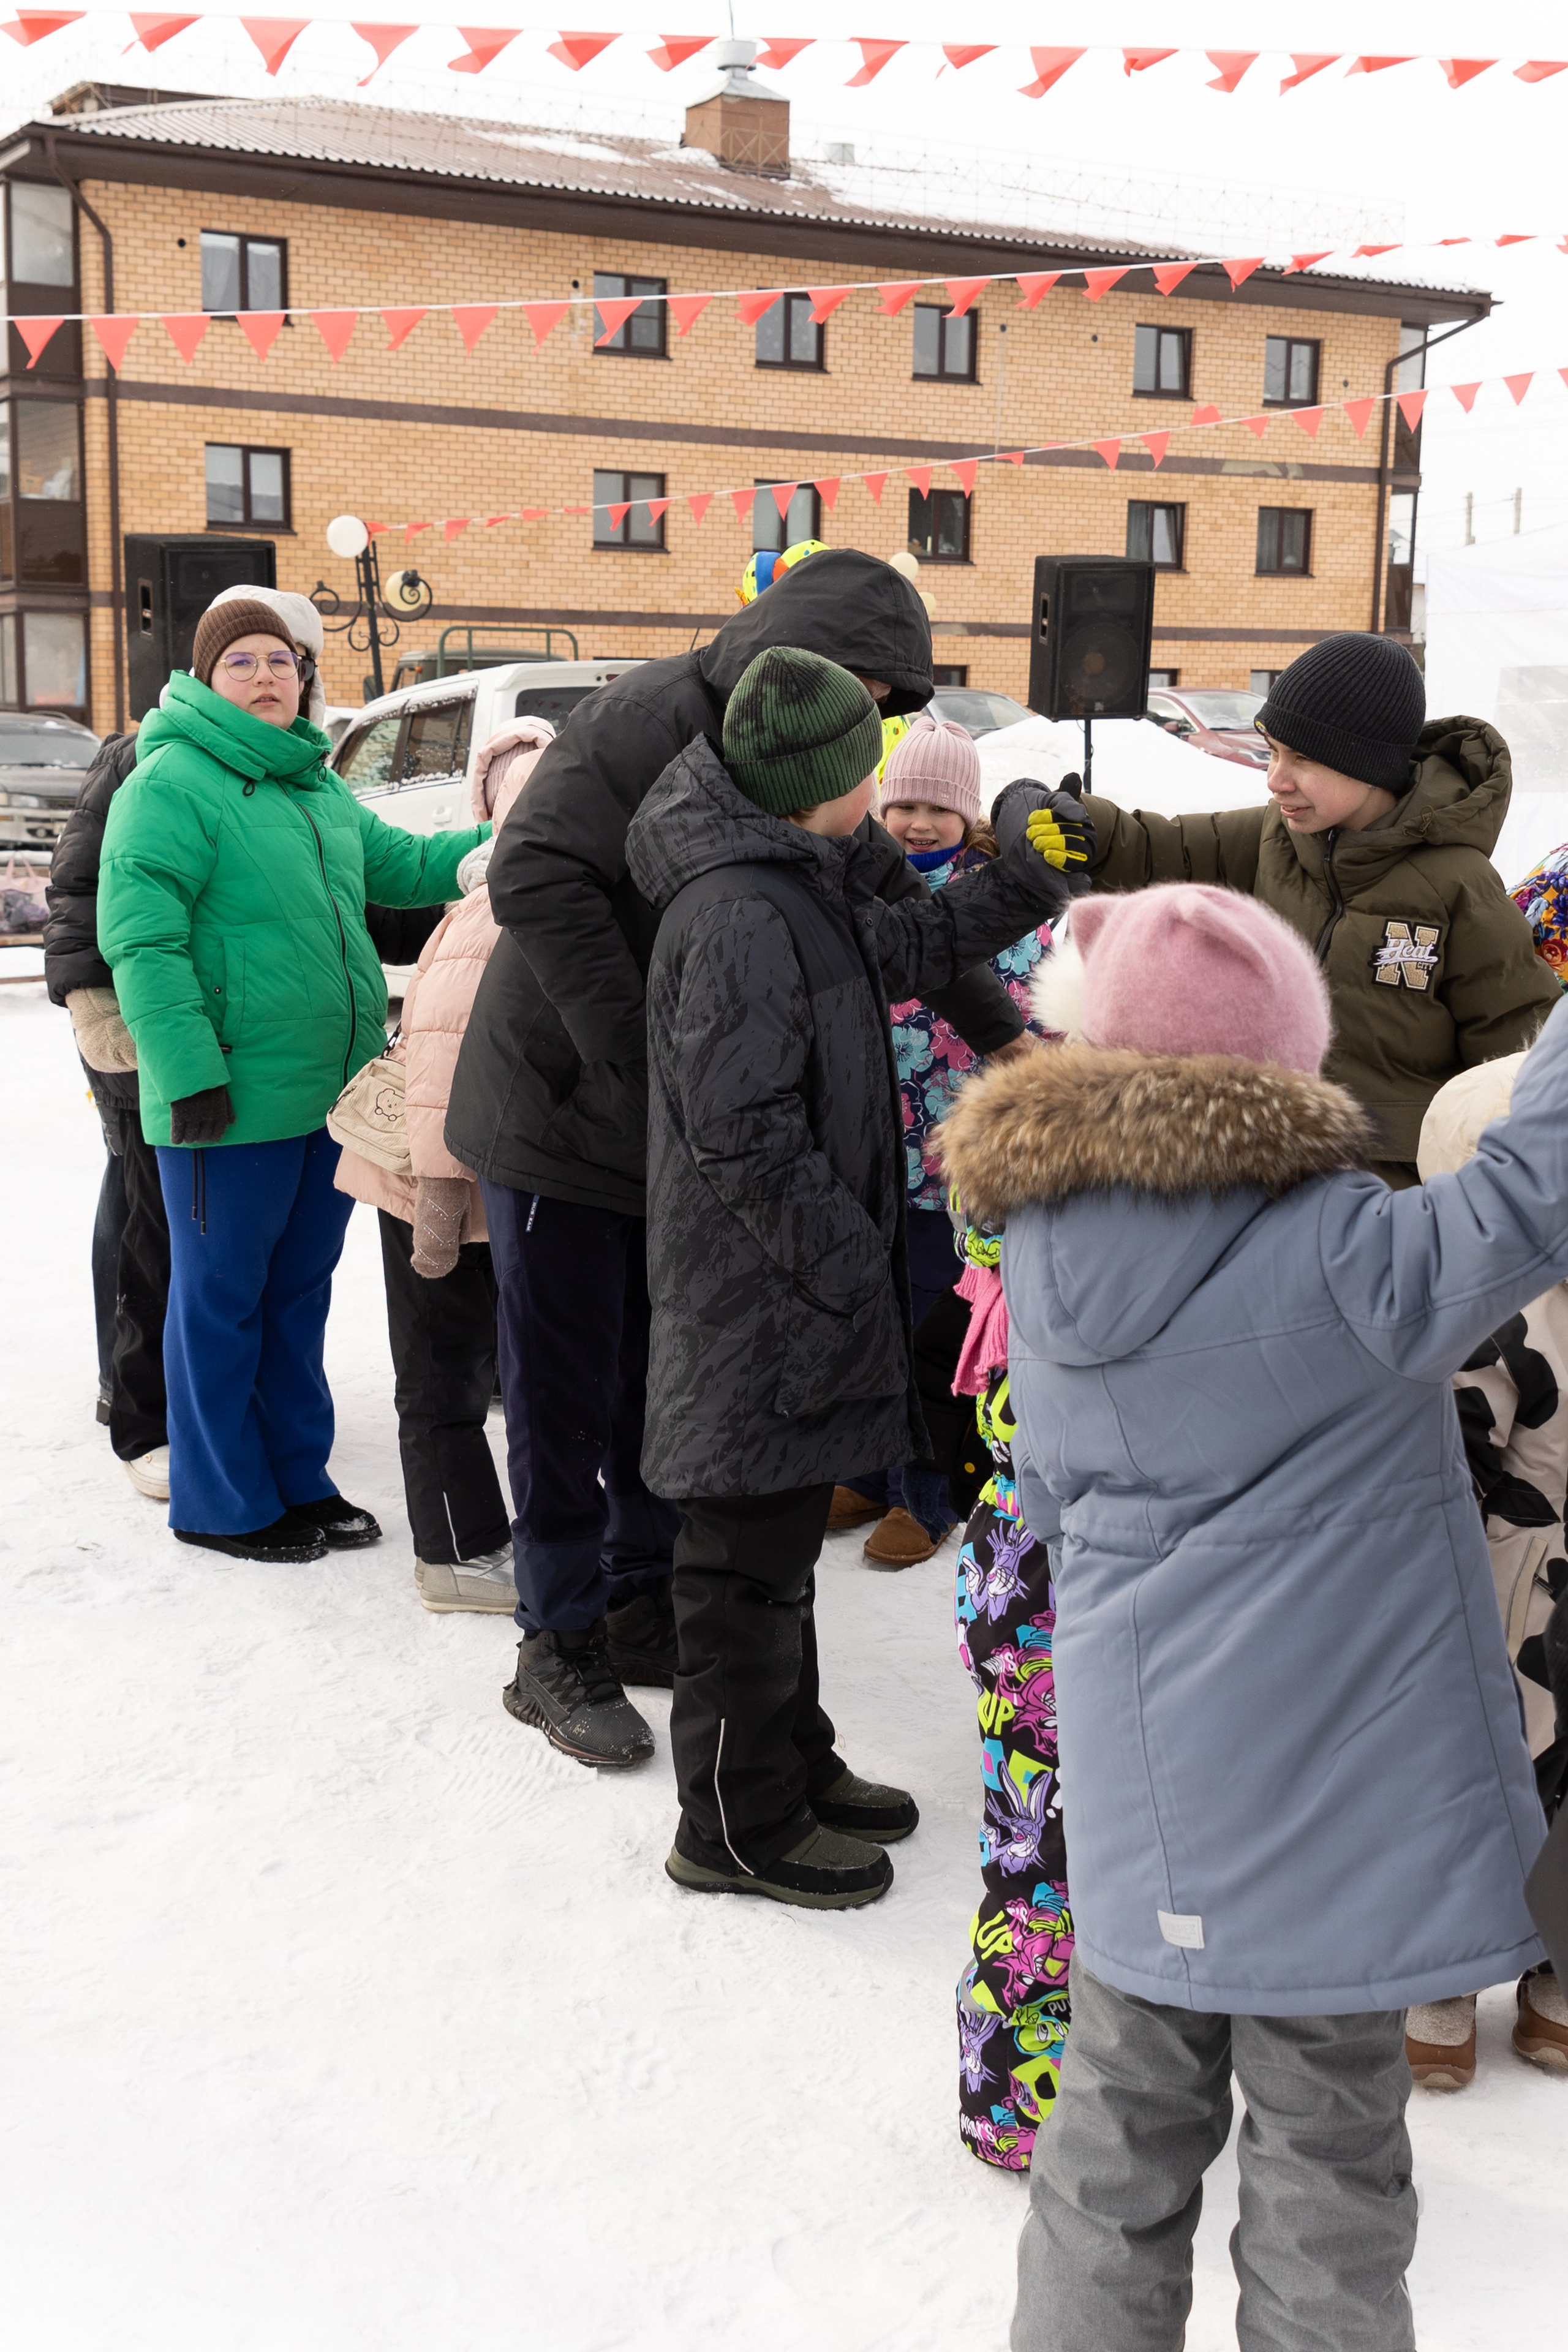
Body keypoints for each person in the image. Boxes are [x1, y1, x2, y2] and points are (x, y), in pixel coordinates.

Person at [941, 882, 1556, 2352]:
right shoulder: (1341, 1254)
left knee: (1110, 2146)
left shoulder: (1046, 1234)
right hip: (1321, 1802)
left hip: (1144, 1774)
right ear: (1280, 1060)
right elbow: (1529, 1194)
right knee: (1327, 2154)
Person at [445, 548, 1029, 1768]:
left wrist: (1011, 1043)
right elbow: (534, 873)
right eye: (871, 696)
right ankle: (554, 1640)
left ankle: (640, 1592)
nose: (872, 731)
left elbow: (888, 915)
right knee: (559, 1387)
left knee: (665, 1374)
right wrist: (642, 1064)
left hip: (686, 1115)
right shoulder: (647, 719)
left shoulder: (808, 753)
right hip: (562, 1105)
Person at [624, 647, 1092, 1907]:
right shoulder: (734, 912)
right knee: (737, 1563)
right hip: (755, 1291)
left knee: (778, 1555)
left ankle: (789, 1764)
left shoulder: (790, 873)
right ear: (832, 781)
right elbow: (738, 1133)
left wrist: (1023, 884)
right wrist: (849, 1255)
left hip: (788, 1283)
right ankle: (729, 1824)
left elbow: (900, 943)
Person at [97, 596, 488, 1565]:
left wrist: (489, 854)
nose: (271, 675)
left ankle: (296, 1478)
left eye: (284, 661)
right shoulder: (170, 782)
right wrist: (188, 1075)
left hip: (331, 1098)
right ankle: (223, 1500)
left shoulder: (313, 785)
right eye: (245, 663)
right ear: (207, 677)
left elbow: (396, 865)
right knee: (220, 1299)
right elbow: (142, 941)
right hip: (224, 1102)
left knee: (297, 1296)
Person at [1081, 633, 1558, 1183]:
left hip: (1390, 1190)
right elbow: (1160, 846)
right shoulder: (1274, 838)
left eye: (1302, 759)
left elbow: (1522, 1048)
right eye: (1274, 751)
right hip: (1266, 1164)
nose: (1275, 779)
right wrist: (1081, 824)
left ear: (1369, 764)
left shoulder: (1456, 885)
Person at [336, 718, 557, 1616]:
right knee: (439, 1368)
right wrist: (435, 1212)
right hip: (439, 1182)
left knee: (466, 1361)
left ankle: (471, 1540)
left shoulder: (514, 892)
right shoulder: (504, 906)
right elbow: (436, 1065)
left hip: (472, 1177)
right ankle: (455, 1553)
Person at [831, 714, 1053, 1567]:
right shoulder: (855, 890)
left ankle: (923, 1496)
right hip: (867, 1155)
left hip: (952, 1173)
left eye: (939, 808)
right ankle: (863, 1468)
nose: (919, 823)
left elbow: (1034, 1024)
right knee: (867, 1316)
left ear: (968, 817)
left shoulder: (995, 899)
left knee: (931, 1329)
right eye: (905, 804)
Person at [1406, 1052, 1568, 2085]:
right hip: (1512, 1575)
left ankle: (1554, 1969)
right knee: (1480, 1770)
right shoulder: (1502, 1312)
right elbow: (1457, 1444)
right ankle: (1449, 1969)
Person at [949, 1208, 1072, 2172]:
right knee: (1047, 1861)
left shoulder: (1025, 1216)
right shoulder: (1091, 1243)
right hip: (1056, 1578)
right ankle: (1013, 2106)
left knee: (1032, 1852)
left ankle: (1017, 2096)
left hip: (1011, 1559)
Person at [45, 725, 169, 1498]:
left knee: (146, 1185)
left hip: (181, 1012)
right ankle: (115, 1376)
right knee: (130, 1179)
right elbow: (75, 887)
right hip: (122, 1014)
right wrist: (95, 1009)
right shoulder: (134, 754)